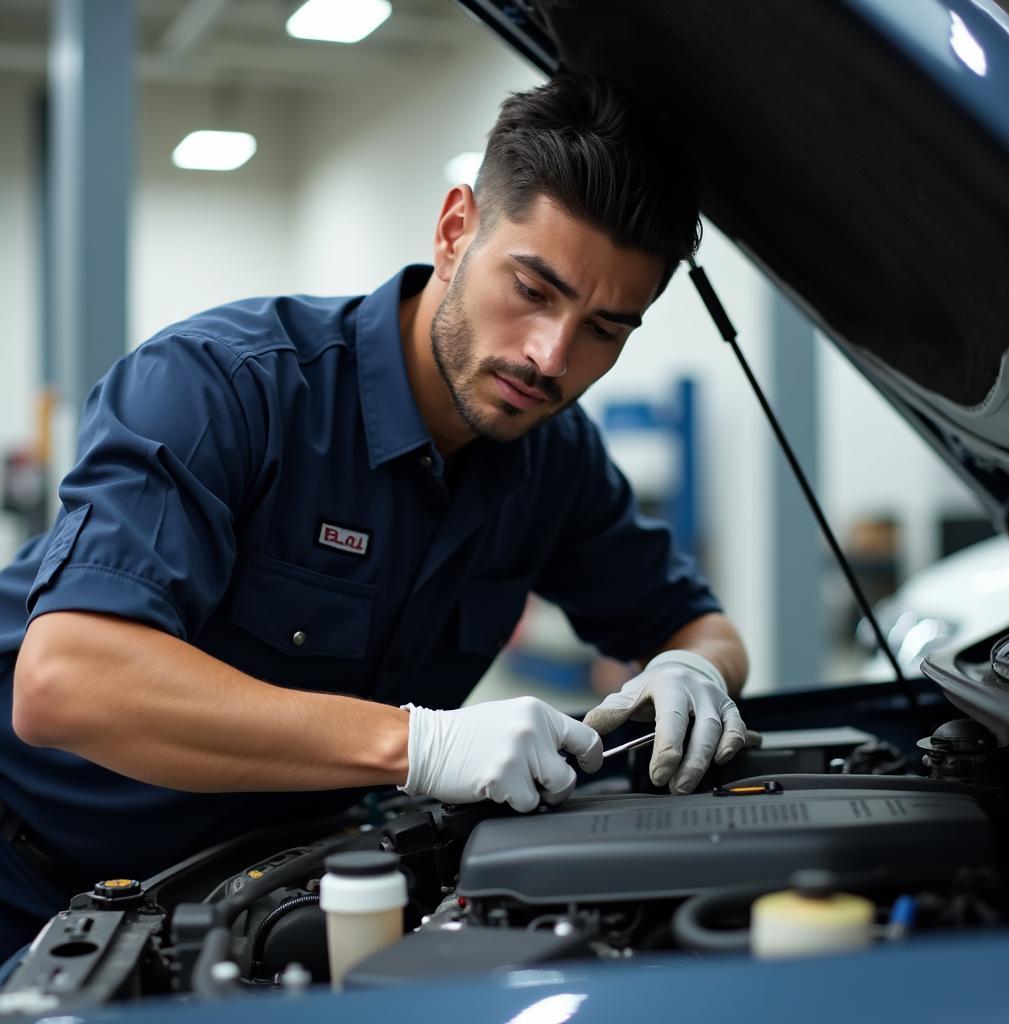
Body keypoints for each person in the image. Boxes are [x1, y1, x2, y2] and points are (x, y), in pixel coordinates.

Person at [0, 73, 748, 957]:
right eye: (535, 290)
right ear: (454, 227)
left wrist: (691, 673)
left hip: (250, 903)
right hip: (27, 878)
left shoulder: (554, 459)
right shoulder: (224, 386)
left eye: (604, 330)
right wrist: (418, 745)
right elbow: (65, 686)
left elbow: (702, 628)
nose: (550, 356)